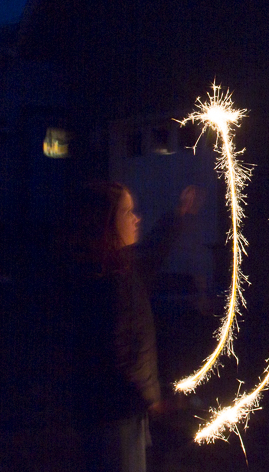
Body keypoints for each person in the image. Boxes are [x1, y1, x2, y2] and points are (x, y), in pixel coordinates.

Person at [60, 182, 200, 472]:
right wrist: (151, 400)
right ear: (107, 222)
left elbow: (152, 252)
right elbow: (119, 352)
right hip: (114, 414)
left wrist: (178, 215)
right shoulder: (105, 281)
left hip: (122, 410)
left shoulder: (120, 267)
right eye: (127, 212)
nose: (136, 218)